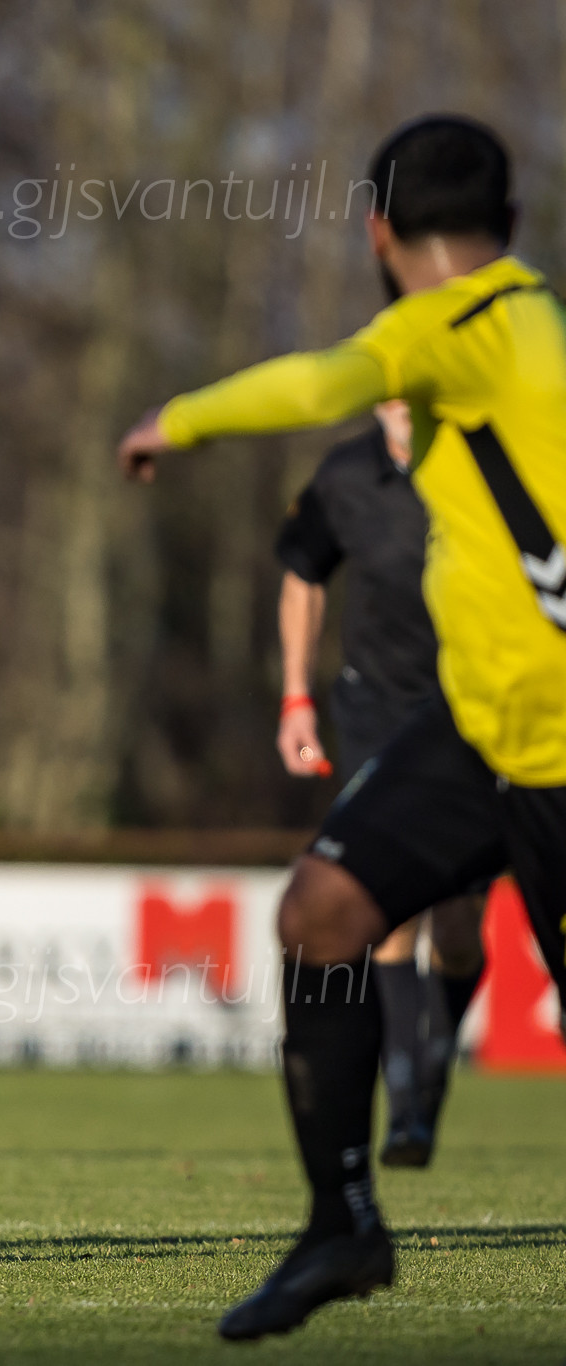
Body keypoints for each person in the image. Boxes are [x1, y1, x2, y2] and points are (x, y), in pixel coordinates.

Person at [118, 114, 566, 1340]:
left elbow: (317, 384)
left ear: (376, 233)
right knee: (321, 911)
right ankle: (342, 1226)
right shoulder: (524, 324)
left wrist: (175, 420)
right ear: (507, 221)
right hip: (477, 730)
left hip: (555, 748)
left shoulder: (456, 323)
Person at [274, 399, 485, 1168]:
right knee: (383, 905)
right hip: (375, 714)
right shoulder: (345, 475)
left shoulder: (480, 459)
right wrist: (296, 697)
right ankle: (405, 1104)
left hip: (469, 710)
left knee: (457, 925)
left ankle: (433, 1063)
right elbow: (303, 575)